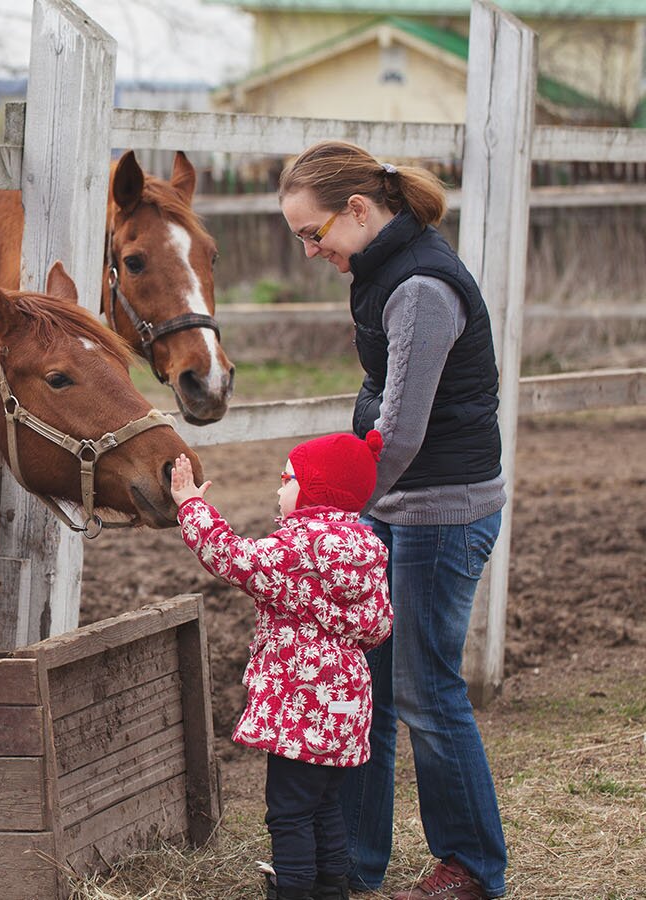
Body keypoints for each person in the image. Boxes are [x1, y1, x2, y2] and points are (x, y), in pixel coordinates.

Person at [277, 140, 510, 900]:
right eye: (300, 239)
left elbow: (401, 431)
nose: (312, 251)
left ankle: (471, 867)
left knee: (423, 689)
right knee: (365, 686)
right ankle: (350, 862)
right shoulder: (381, 274)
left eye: (316, 234)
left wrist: (331, 512)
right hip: (394, 504)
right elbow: (379, 402)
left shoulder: (419, 288)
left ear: (359, 210)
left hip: (441, 509)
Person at [170, 434, 393, 900]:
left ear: (315, 490)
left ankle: (291, 888)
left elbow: (232, 558)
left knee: (288, 812)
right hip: (346, 706)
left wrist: (191, 505)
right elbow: (379, 627)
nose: (278, 490)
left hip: (301, 707)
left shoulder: (300, 549)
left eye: (286, 478)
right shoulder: (366, 548)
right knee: (325, 803)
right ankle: (331, 888)